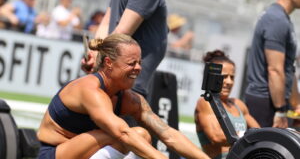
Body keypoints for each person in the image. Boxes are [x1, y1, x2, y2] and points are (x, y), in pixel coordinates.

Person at [37, 33, 210, 159]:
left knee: (142, 135)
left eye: (139, 63)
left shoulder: (129, 99)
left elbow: (168, 135)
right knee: (124, 135)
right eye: (131, 63)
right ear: (108, 63)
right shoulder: (90, 90)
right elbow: (123, 134)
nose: (138, 68)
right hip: (53, 154)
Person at [82, 0, 181, 98]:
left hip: (120, 82)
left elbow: (107, 21)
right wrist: (97, 60)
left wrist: (94, 54)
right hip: (128, 87)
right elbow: (121, 34)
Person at [245, 0, 300, 128]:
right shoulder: (276, 20)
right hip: (266, 101)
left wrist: (295, 104)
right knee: (266, 151)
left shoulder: (281, 18)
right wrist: (280, 110)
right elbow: (275, 70)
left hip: (273, 100)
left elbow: (287, 68)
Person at [195, 50, 260, 159]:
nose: (229, 82)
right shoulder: (205, 103)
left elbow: (259, 132)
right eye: (224, 77)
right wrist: (248, 135)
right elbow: (216, 137)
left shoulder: (239, 104)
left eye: (232, 77)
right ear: (213, 77)